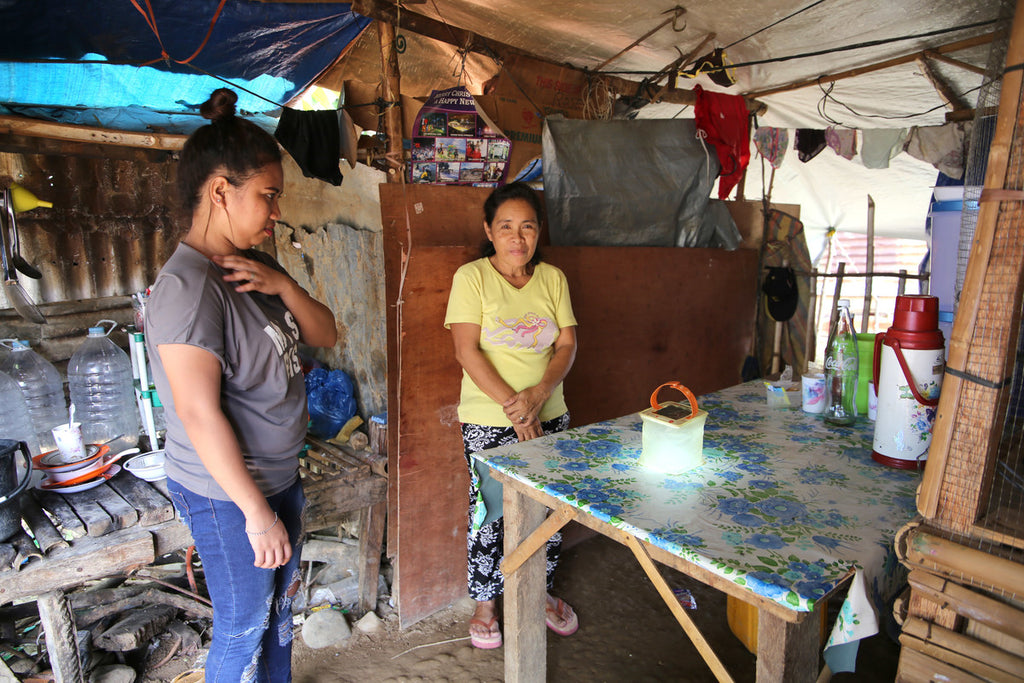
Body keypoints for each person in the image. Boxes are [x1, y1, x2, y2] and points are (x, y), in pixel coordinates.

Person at [145, 88, 337, 682]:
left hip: (278, 478)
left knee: (280, 616)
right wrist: (257, 515)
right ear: (221, 191)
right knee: (242, 627)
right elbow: (199, 414)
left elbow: (326, 333)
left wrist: (284, 288)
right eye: (269, 195)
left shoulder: (255, 266)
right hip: (228, 495)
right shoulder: (189, 288)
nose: (276, 211)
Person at [444, 182, 579, 650]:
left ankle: (540, 591)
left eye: (527, 227)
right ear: (489, 230)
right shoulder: (472, 278)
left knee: (550, 507)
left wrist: (541, 392)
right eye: (506, 227)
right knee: (492, 511)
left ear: (539, 232)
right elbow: (467, 351)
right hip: (489, 417)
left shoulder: (553, 279)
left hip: (550, 413)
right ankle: (486, 602)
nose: (517, 238)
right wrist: (516, 409)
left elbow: (566, 344)